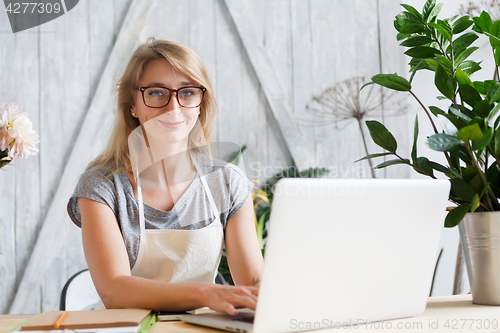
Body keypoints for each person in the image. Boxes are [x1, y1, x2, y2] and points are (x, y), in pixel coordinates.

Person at [67, 38, 263, 314]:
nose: (173, 108)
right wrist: (206, 293)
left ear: (200, 103)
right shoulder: (101, 187)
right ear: (132, 104)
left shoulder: (227, 182)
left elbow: (254, 280)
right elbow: (115, 290)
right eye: (157, 93)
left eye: (187, 92)